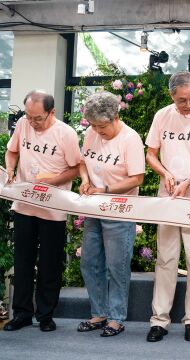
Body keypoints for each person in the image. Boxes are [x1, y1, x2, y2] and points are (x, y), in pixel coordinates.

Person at [145, 71, 190, 342]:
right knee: (165, 257)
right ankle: (159, 320)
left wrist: (188, 181)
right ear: (171, 96)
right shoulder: (162, 116)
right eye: (182, 100)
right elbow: (151, 154)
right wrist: (164, 173)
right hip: (167, 194)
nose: (188, 105)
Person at [3, 90, 82, 332]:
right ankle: (22, 313)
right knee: (23, 261)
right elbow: (12, 150)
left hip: (53, 207)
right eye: (29, 117)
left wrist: (53, 181)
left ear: (52, 112)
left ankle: (45, 315)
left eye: (38, 118)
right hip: (25, 204)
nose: (33, 122)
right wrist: (10, 169)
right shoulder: (23, 125)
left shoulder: (65, 134)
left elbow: (76, 169)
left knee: (49, 263)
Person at [75, 91, 145, 337]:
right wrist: (85, 180)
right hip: (94, 208)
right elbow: (82, 161)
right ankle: (99, 312)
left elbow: (137, 178)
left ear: (115, 117)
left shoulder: (130, 139)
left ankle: (116, 317)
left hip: (119, 208)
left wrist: (105, 189)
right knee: (90, 261)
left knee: (117, 265)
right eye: (93, 125)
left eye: (102, 126)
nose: (97, 130)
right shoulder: (90, 133)